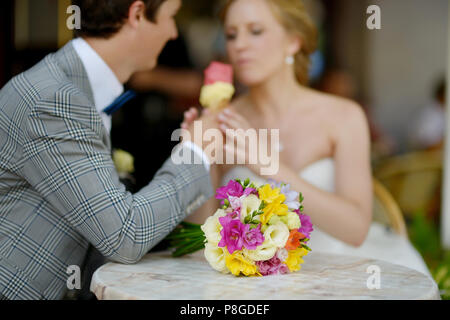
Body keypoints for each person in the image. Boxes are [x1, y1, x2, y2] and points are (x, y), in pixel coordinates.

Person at [185, 0, 431, 277]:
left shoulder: (344, 116)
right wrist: (198, 160)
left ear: (293, 42)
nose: (239, 44)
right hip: (252, 282)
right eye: (231, 34)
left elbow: (355, 230)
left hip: (342, 269)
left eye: (255, 31)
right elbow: (198, 241)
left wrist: (270, 167)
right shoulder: (221, 123)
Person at [0, 0, 218, 300]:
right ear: (137, 14)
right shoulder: (53, 100)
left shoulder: (79, 88)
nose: (173, 34)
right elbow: (125, 235)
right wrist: (194, 154)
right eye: (171, 17)